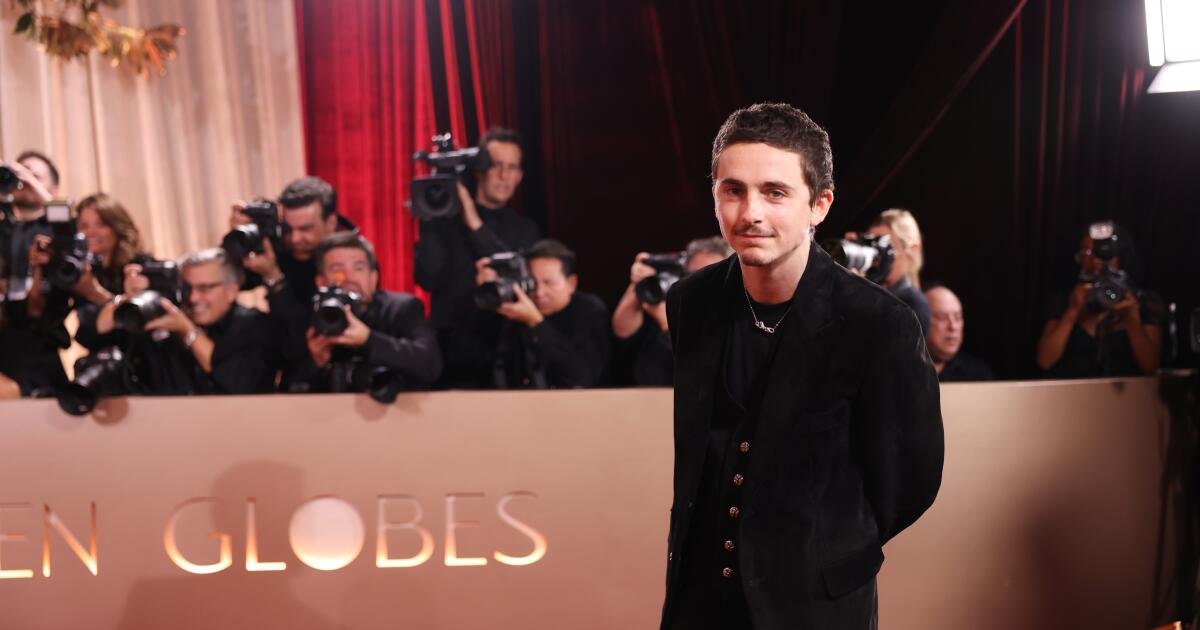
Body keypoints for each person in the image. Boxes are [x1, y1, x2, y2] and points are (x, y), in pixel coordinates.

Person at [661, 103, 944, 630]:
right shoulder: (690, 302)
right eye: (733, 190)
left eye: (775, 192)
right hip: (699, 602)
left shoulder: (877, 323)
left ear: (819, 205)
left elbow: (911, 481)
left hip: (815, 606)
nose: (751, 213)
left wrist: (828, 550)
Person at [413, 127, 540, 384]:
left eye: (512, 167)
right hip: (448, 356)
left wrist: (473, 221)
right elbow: (428, 278)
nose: (504, 176)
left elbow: (516, 275)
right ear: (479, 169)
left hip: (504, 352)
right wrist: (431, 219)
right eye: (495, 165)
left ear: (520, 176)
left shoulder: (525, 230)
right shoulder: (444, 223)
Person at [282, 231, 442, 395]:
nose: (349, 278)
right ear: (321, 282)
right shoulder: (312, 318)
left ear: (373, 278)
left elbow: (430, 365)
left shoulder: (402, 309)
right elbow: (288, 389)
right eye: (337, 270)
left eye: (358, 268)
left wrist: (368, 339)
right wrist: (317, 362)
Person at [457, 239, 608, 389]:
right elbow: (463, 359)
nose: (539, 293)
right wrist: (486, 297)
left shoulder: (589, 310)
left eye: (549, 283)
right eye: (533, 283)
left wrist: (536, 322)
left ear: (571, 283)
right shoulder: (512, 308)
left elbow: (582, 376)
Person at [129, 248, 282, 394]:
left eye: (204, 288)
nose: (193, 298)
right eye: (187, 288)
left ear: (232, 290)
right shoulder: (170, 325)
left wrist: (189, 332)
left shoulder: (257, 325)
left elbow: (239, 384)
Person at [1035, 221, 1164, 378]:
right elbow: (1045, 361)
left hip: (1129, 393)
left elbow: (1150, 367)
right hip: (1072, 391)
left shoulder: (1143, 301)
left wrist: (1132, 319)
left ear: (1121, 257)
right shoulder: (1065, 300)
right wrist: (1072, 312)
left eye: (1104, 254)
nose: (1096, 261)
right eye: (1087, 253)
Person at [611, 236, 731, 386]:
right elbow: (622, 331)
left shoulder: (738, 317)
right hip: (646, 395)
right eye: (693, 275)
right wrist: (640, 283)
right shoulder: (674, 303)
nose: (699, 282)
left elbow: (701, 369)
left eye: (710, 274)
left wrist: (666, 322)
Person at [71, 193, 155, 351]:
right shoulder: (82, 271)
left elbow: (140, 323)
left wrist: (96, 294)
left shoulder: (141, 266)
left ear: (116, 226)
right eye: (84, 226)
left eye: (100, 224)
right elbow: (89, 331)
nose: (91, 232)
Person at [860, 208, 931, 335]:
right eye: (872, 245)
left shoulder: (914, 306)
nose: (876, 255)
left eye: (885, 247)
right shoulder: (868, 290)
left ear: (912, 250)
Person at [924, 285, 994, 381]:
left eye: (957, 318)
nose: (953, 326)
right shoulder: (905, 372)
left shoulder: (978, 375)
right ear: (920, 320)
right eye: (942, 317)